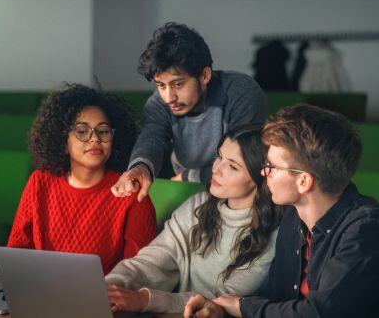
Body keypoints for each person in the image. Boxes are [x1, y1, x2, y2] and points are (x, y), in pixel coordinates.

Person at [184, 105, 379, 318]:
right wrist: (221, 309)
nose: (264, 173)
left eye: (271, 166)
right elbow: (275, 298)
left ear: (304, 181)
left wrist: (243, 306)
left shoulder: (368, 232)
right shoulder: (293, 218)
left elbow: (317, 314)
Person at [105, 124, 280, 314]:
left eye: (232, 166)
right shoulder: (199, 204)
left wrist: (145, 299)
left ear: (260, 177)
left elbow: (224, 299)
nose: (216, 169)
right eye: (219, 156)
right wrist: (109, 288)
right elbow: (152, 261)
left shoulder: (277, 233)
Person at [7, 84, 156, 274]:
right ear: (63, 140)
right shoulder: (40, 183)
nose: (94, 139)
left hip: (104, 300)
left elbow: (137, 274)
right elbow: (18, 253)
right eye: (82, 131)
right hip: (39, 293)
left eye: (103, 131)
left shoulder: (132, 193)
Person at [112, 22, 268, 202]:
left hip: (241, 196)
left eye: (178, 84)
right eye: (161, 85)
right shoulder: (158, 103)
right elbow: (152, 137)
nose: (169, 97)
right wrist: (140, 168)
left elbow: (243, 162)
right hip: (190, 192)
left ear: (204, 76)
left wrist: (189, 176)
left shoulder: (241, 93)